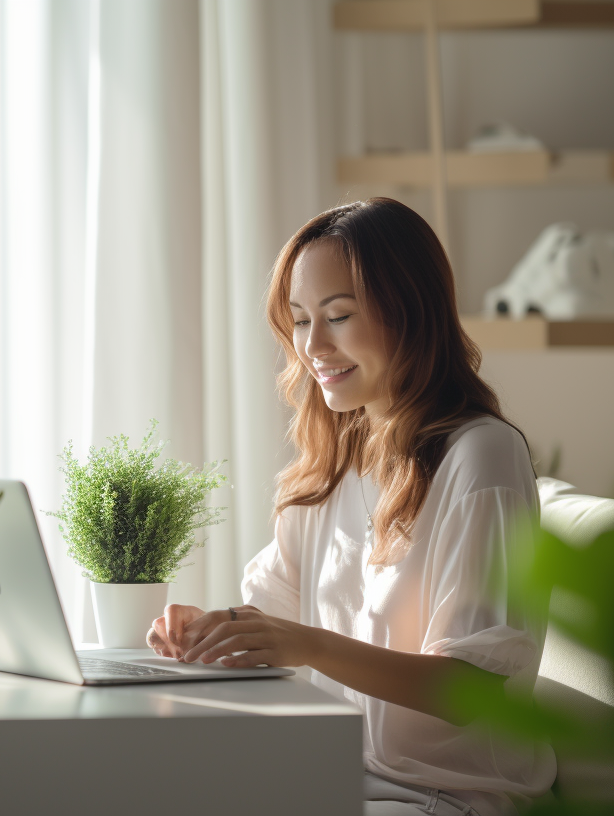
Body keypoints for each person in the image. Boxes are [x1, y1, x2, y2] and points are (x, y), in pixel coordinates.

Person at [148, 198, 556, 816]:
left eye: (338, 315)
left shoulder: (482, 457)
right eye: (301, 320)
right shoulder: (330, 470)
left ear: (411, 314)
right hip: (337, 778)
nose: (313, 345)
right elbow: (276, 619)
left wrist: (310, 646)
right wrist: (210, 631)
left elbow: (476, 687)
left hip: (450, 796)